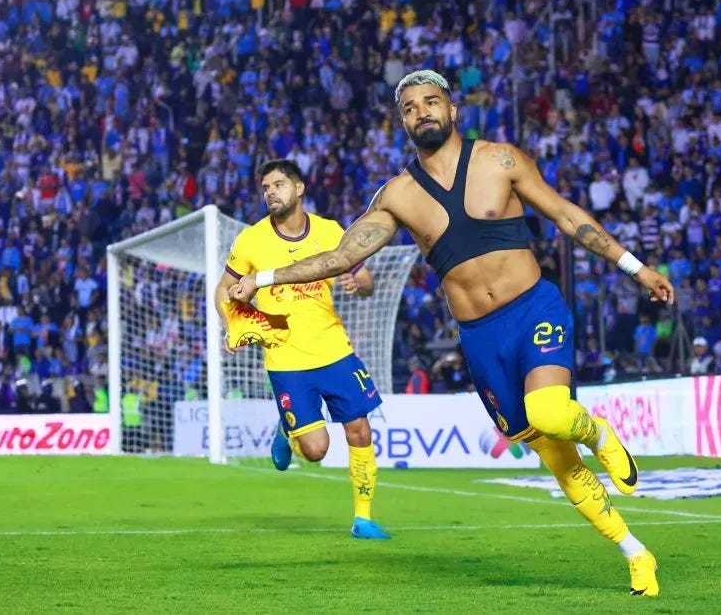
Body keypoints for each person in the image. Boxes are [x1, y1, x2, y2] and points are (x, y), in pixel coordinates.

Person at [231, 71, 674, 595]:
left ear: (452, 110)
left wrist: (635, 268)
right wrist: (263, 277)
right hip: (480, 338)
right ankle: (635, 552)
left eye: (431, 101)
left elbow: (565, 215)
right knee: (556, 457)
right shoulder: (397, 195)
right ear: (403, 123)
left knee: (551, 413)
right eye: (410, 107)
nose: (422, 112)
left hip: (533, 309)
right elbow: (340, 257)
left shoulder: (501, 160)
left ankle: (600, 435)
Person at [215, 159, 390, 540]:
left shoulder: (330, 231)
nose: (270, 193)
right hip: (285, 357)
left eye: (278, 184)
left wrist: (359, 283)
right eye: (265, 188)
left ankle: (363, 519)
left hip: (335, 349)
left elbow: (364, 278)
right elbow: (223, 289)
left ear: (299, 188)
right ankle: (288, 429)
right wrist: (232, 325)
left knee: (359, 430)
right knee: (315, 450)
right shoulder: (251, 240)